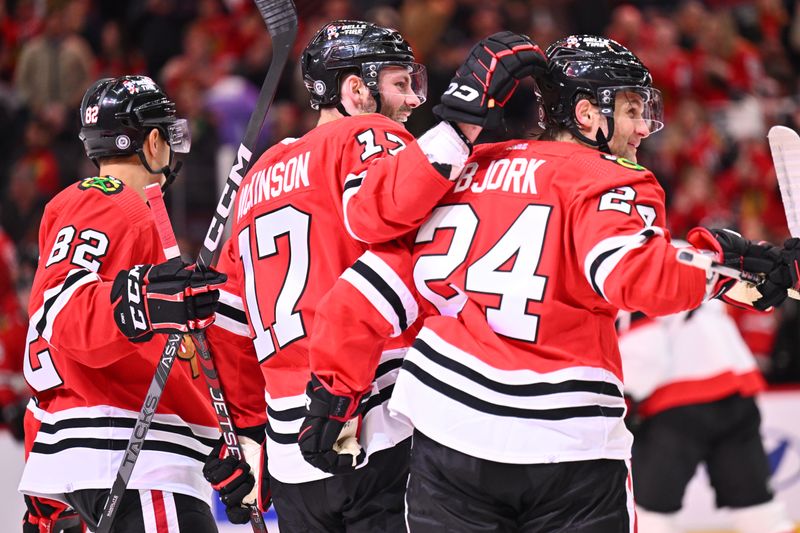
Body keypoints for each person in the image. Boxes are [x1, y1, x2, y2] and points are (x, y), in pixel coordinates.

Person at [303, 34, 794, 532]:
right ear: (585, 114)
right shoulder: (609, 178)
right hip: (569, 450)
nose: (643, 127)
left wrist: (332, 397)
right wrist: (731, 261)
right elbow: (639, 275)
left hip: (449, 437)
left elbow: (362, 295)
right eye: (631, 109)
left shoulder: (465, 169)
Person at [201, 20, 546, 531]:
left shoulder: (258, 177)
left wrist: (248, 434)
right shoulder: (366, 133)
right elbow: (381, 209)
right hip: (375, 421)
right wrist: (458, 128)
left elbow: (229, 323)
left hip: (291, 451)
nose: (412, 101)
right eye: (399, 84)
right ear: (356, 90)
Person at [17, 75, 227, 533]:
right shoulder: (110, 203)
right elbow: (62, 310)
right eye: (168, 133)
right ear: (153, 141)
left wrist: (220, 444)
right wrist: (144, 301)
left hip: (107, 457)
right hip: (131, 457)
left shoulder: (141, 220)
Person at [618, 298, 795, 533]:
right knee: (757, 506)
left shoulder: (630, 284)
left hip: (676, 402)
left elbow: (644, 352)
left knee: (651, 512)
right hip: (736, 391)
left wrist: (626, 401)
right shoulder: (692, 270)